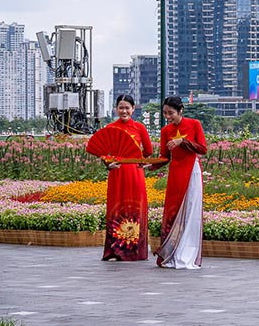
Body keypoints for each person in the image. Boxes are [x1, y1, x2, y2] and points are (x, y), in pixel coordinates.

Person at [86, 94, 153, 262]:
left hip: (134, 173)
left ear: (133, 108)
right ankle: (116, 250)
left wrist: (139, 160)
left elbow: (149, 151)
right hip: (117, 173)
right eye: (121, 108)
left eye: (127, 108)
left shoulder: (139, 128)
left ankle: (134, 251)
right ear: (116, 108)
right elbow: (103, 153)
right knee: (117, 209)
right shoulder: (110, 127)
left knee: (135, 209)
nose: (124, 111)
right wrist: (108, 164)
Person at [153, 96, 207, 269]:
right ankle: (172, 252)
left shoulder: (194, 124)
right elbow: (164, 157)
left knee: (191, 210)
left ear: (180, 110)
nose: (168, 117)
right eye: (165, 113)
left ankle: (188, 251)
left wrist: (182, 141)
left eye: (171, 113)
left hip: (192, 171)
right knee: (173, 211)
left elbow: (203, 148)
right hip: (175, 174)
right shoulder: (165, 130)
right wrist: (149, 164)